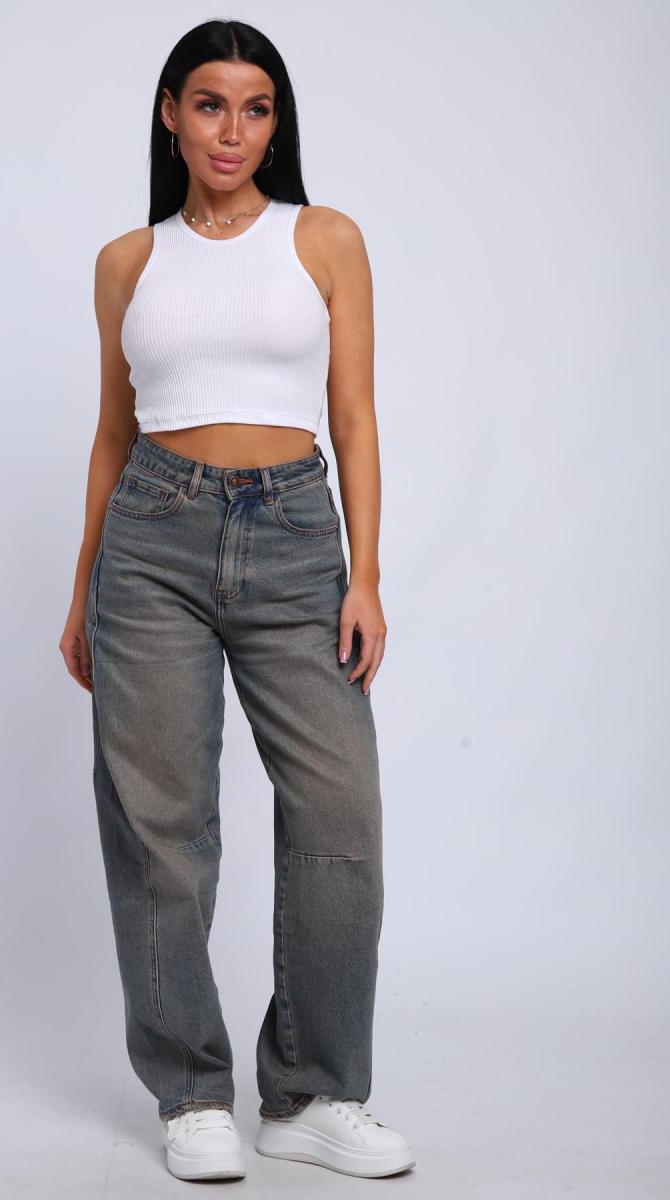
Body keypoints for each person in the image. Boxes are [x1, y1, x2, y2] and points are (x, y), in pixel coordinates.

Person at [59, 18, 415, 1183]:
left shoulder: (324, 238)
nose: (231, 130)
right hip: (149, 542)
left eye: (255, 108)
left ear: (276, 123)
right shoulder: (128, 260)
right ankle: (191, 1091)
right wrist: (82, 589)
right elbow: (111, 434)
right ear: (170, 114)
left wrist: (364, 572)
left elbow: (353, 416)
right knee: (160, 828)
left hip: (295, 536)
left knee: (338, 810)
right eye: (209, 103)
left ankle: (309, 1091)